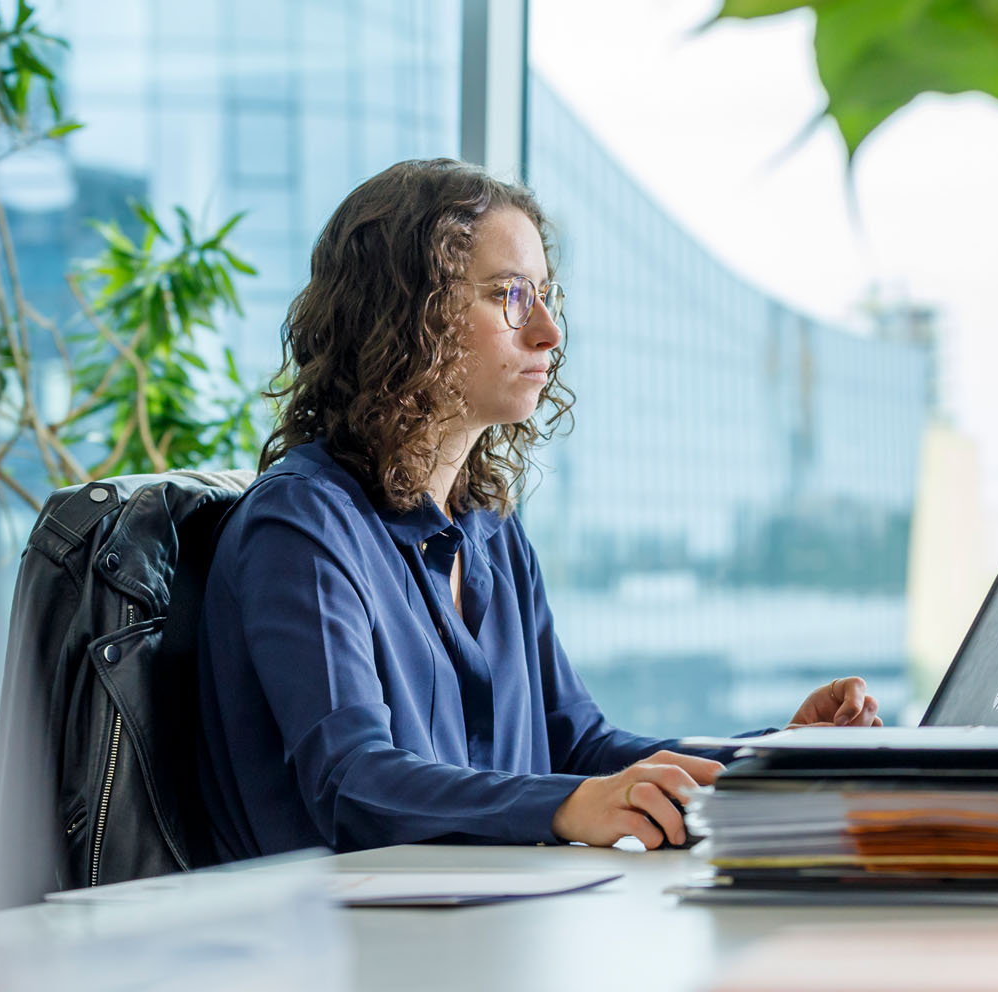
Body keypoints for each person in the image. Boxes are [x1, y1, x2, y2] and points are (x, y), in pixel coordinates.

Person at [196, 158, 882, 864]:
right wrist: (567, 803)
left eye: (545, 297)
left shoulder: (489, 529)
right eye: (510, 297)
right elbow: (353, 783)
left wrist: (772, 760)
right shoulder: (302, 525)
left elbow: (579, 746)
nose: (549, 332)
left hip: (480, 931)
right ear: (405, 313)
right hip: (338, 954)